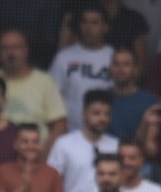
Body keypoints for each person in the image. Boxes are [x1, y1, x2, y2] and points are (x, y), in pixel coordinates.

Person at [49, 4, 114, 132]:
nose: (88, 28)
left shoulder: (114, 58)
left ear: (105, 27)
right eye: (84, 22)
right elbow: (53, 96)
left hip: (105, 132)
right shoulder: (63, 57)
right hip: (70, 132)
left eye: (95, 23)